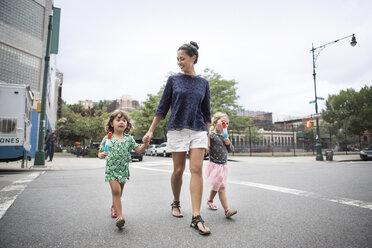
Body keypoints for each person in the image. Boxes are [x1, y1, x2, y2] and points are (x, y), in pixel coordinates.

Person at [143, 41, 211, 235]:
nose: (179, 62)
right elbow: (162, 107)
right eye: (177, 59)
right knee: (178, 170)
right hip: (176, 129)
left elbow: (207, 113)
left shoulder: (203, 83)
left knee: (196, 169)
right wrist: (150, 130)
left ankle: (196, 216)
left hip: (198, 129)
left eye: (182, 59)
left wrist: (207, 135)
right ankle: (176, 201)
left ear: (193, 58)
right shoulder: (174, 80)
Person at [98, 110, 149, 229]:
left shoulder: (129, 139)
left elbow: (138, 150)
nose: (121, 122)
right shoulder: (108, 138)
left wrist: (145, 144)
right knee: (116, 191)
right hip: (111, 169)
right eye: (118, 120)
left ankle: (114, 207)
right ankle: (119, 217)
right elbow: (100, 152)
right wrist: (101, 155)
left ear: (127, 124)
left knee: (119, 192)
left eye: (124, 120)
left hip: (123, 170)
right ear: (112, 124)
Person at [205, 112, 237, 218]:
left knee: (216, 186)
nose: (225, 125)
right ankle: (227, 210)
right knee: (221, 188)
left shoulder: (225, 136)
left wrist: (228, 143)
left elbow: (231, 150)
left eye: (227, 123)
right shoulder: (212, 136)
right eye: (223, 122)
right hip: (215, 166)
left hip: (223, 166)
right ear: (214, 122)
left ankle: (209, 201)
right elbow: (207, 147)